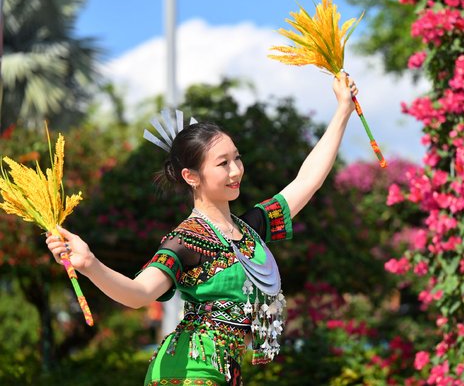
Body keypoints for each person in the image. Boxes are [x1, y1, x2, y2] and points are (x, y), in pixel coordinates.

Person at [46, 72, 358, 385]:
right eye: (223, 164)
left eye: (237, 158)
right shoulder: (186, 240)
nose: (236, 170)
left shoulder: (250, 231)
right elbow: (139, 293)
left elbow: (308, 180)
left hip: (224, 370)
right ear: (191, 176)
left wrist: (343, 109)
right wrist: (90, 265)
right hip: (189, 372)